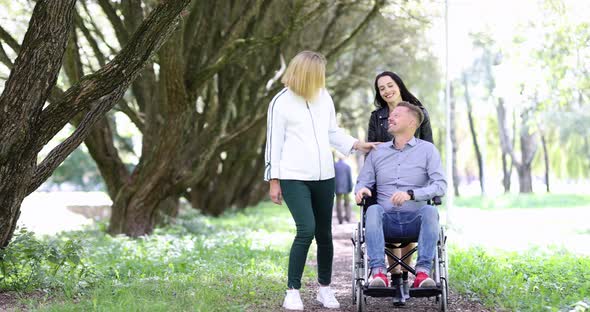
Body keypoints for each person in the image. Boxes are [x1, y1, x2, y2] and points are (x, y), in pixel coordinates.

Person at [264, 50, 379, 311]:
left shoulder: (323, 97)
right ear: (305, 73)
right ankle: (292, 291)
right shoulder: (280, 102)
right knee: (306, 229)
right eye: (318, 75)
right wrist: (274, 180)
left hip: (325, 176)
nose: (321, 80)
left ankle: (324, 289)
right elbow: (274, 143)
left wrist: (358, 144)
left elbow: (332, 133)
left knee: (324, 234)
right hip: (294, 177)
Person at [355, 101, 446, 291]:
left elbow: (440, 186)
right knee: (372, 210)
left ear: (412, 122)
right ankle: (379, 273)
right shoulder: (377, 152)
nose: (390, 118)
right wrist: (361, 189)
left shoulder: (428, 150)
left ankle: (422, 274)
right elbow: (363, 181)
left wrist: (412, 194)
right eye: (391, 115)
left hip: (416, 220)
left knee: (430, 210)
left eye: (397, 115)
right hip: (385, 220)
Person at [367, 71, 435, 295]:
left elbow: (427, 145)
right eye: (381, 88)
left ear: (399, 85)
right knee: (381, 210)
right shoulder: (377, 117)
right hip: (384, 178)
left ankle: (406, 273)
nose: (386, 90)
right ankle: (393, 273)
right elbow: (371, 148)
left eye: (390, 85)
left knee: (411, 210)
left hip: (413, 177)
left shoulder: (419, 112)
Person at [334, 156, 353, 224]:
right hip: (346, 187)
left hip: (337, 187)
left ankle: (340, 218)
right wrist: (350, 187)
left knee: (338, 203)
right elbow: (349, 178)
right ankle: (348, 217)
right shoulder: (347, 166)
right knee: (347, 202)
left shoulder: (335, 166)